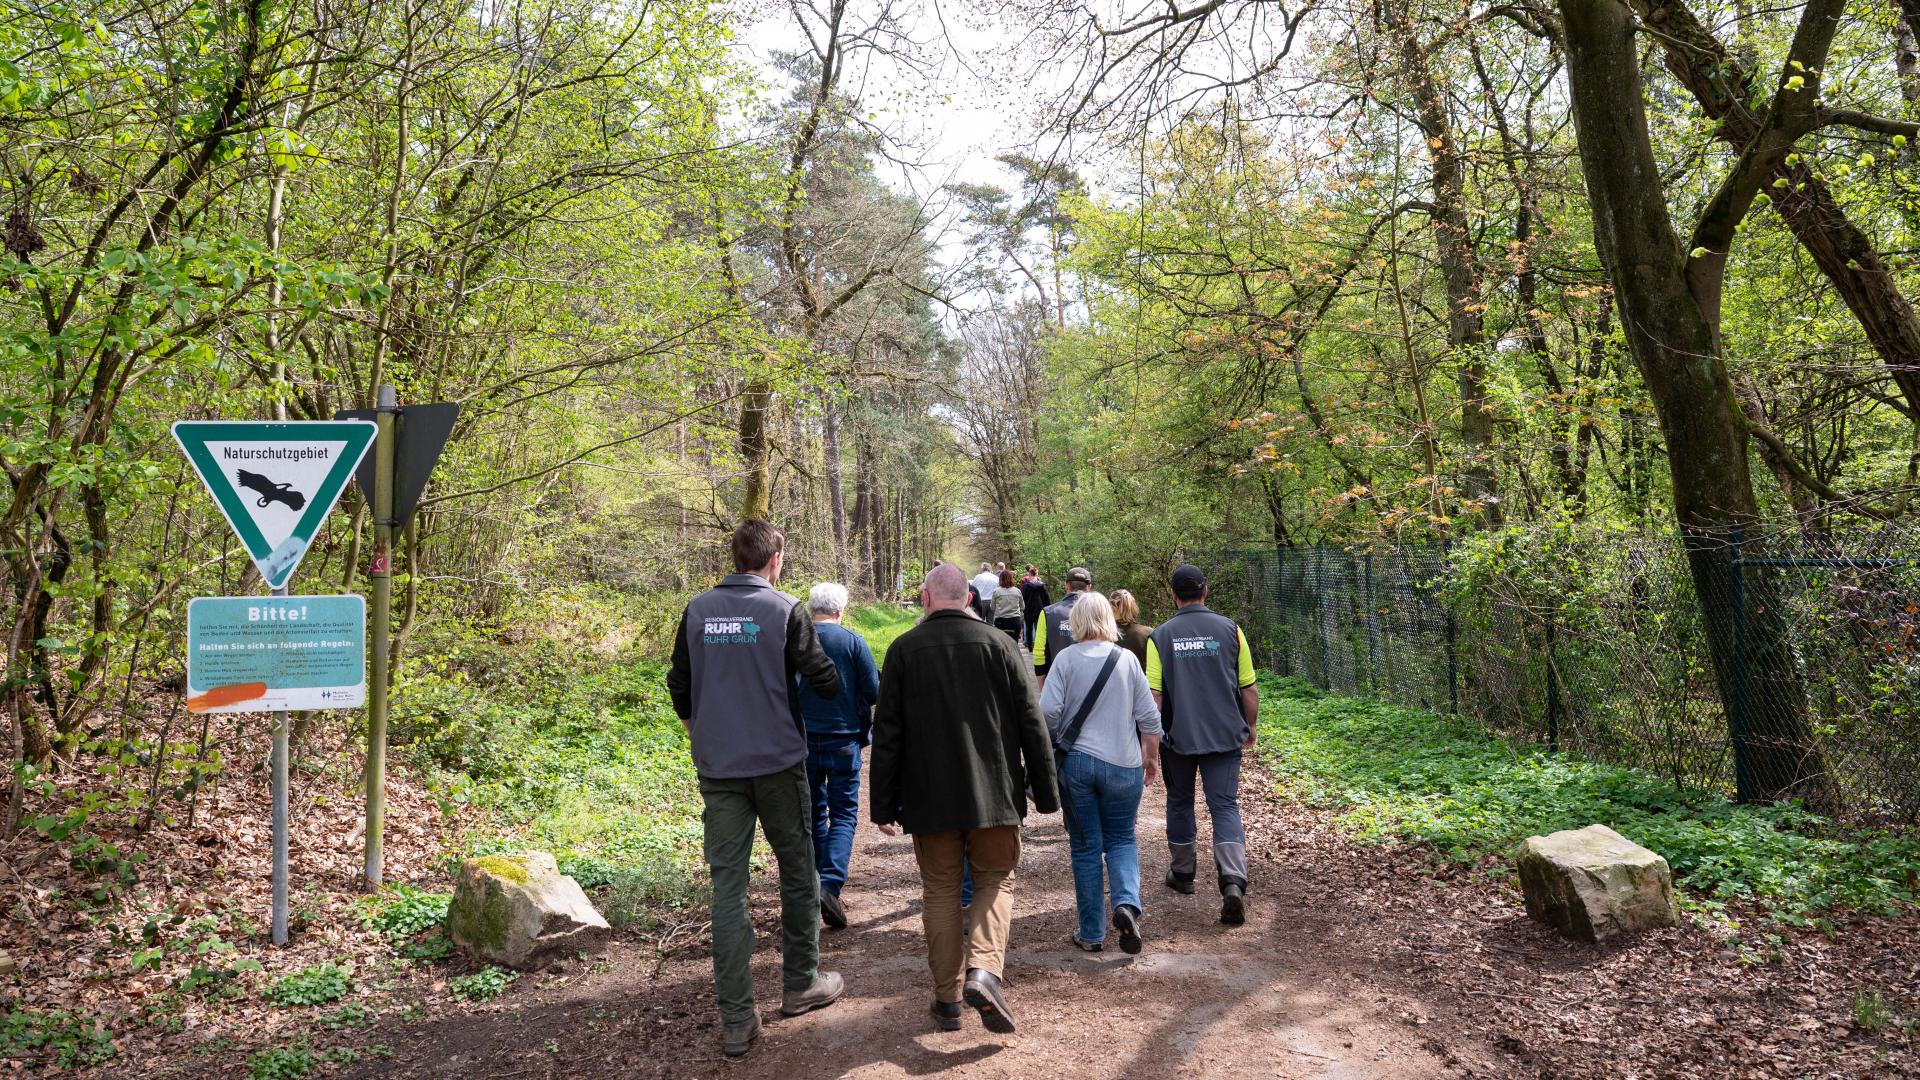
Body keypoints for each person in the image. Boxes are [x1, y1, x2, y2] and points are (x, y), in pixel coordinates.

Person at [665, 520, 847, 1057]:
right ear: (775, 558)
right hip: (778, 761)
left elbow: (679, 683)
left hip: (719, 768)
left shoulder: (697, 610)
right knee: (796, 871)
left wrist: (699, 727)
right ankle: (799, 984)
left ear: (735, 557)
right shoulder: (784, 609)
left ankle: (738, 1021)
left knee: (728, 888)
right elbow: (825, 677)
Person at [870, 563, 1059, 1035]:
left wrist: (882, 803)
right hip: (994, 793)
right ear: (970, 598)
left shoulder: (903, 650)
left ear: (925, 597)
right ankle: (983, 972)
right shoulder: (999, 646)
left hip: (929, 798)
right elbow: (1032, 723)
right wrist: (1047, 792)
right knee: (995, 879)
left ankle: (947, 1000)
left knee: (939, 892)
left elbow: (887, 733)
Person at [1039, 591, 1162, 954]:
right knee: (1122, 839)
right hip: (1123, 765)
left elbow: (1046, 712)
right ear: (1108, 620)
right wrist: (1150, 757)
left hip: (1076, 765)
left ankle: (1091, 932)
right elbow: (1150, 718)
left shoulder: (1064, 659)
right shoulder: (1126, 660)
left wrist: (1061, 735)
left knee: (1086, 847)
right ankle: (1126, 904)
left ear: (1076, 621)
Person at [1145, 564, 1259, 927]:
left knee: (1180, 801)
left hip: (1178, 738)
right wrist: (1250, 725)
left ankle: (1183, 874)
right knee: (1224, 805)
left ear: (1174, 595)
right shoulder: (1231, 630)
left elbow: (1155, 695)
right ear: (1205, 591)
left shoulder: (1160, 637)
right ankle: (1232, 882)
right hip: (1225, 736)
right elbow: (1248, 688)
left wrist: (1150, 741)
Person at [794, 582, 882, 931]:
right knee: (844, 814)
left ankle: (817, 883)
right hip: (844, 740)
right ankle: (830, 884)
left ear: (810, 608)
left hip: (802, 741)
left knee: (814, 812)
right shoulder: (852, 641)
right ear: (840, 610)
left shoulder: (795, 642)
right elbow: (874, 691)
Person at [1032, 566, 1092, 689]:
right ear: (1089, 586)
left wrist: (1042, 684)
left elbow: (1039, 652)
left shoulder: (1048, 613)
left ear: (1066, 585)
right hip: (1092, 684)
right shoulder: (1100, 613)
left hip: (1057, 683)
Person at [1110, 589, 1153, 668]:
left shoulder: (1104, 635)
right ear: (1133, 607)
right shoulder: (1148, 633)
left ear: (1112, 609)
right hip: (1143, 679)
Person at [1019, 564, 1051, 646]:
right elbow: (1046, 598)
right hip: (1040, 609)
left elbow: (1022, 598)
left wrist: (1022, 608)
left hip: (1028, 609)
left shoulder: (1026, 586)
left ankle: (1029, 645)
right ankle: (1039, 644)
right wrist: (1048, 608)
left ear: (1029, 575)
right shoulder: (1042, 586)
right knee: (1039, 628)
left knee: (1029, 628)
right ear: (1037, 574)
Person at [990, 569, 1024, 641]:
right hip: (1015, 621)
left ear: (1000, 579)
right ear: (1012, 579)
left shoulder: (996, 591)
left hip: (1000, 622)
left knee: (1001, 643)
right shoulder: (1017, 591)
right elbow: (1022, 607)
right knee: (1014, 644)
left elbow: (992, 608)